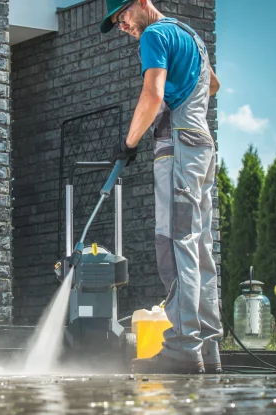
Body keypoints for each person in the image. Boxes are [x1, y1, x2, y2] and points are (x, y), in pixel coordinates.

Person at [101, 0, 222, 374]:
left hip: (179, 146)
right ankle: (208, 346)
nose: (122, 25)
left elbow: (153, 95)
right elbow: (213, 85)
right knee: (198, 245)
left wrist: (130, 142)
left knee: (174, 241)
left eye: (122, 15)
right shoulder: (190, 36)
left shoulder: (154, 34)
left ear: (140, 3)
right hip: (202, 144)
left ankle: (184, 346)